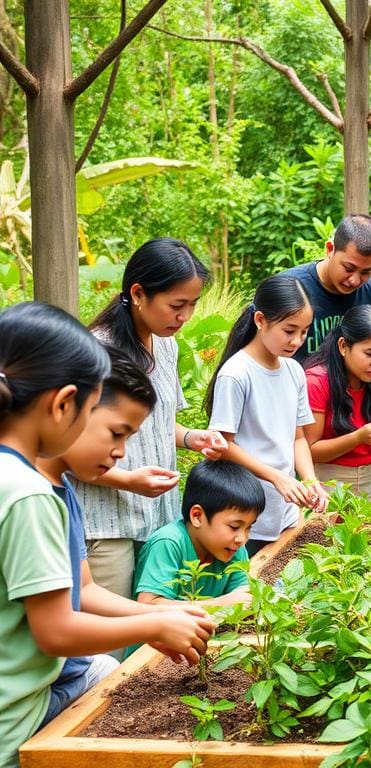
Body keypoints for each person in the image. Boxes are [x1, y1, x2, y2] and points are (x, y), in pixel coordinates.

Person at [0, 303, 213, 768]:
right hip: (15, 724)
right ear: (64, 404)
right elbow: (56, 630)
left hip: (30, 688)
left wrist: (163, 615)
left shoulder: (38, 482)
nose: (121, 453)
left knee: (105, 671)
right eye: (116, 432)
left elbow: (85, 591)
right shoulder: (29, 495)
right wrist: (153, 624)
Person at [75, 238, 227, 600]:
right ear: (139, 293)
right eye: (177, 305)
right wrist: (128, 480)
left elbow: (157, 425)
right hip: (107, 524)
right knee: (111, 645)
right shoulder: (97, 353)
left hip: (156, 516)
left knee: (150, 634)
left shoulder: (166, 345)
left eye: (192, 305)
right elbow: (67, 450)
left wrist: (193, 437)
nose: (185, 316)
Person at [205, 275, 327, 556]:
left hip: (284, 511)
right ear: (260, 320)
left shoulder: (294, 370)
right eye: (289, 330)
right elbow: (223, 446)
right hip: (244, 515)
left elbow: (298, 438)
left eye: (305, 331)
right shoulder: (236, 374)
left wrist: (309, 481)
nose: (297, 341)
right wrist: (277, 478)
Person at [303, 306, 371, 508]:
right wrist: (358, 437)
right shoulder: (316, 381)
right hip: (328, 482)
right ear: (343, 346)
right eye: (370, 353)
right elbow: (309, 450)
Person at [134, 460, 264, 607]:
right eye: (234, 527)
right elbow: (149, 604)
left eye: (249, 527)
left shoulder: (234, 547)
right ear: (197, 516)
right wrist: (218, 604)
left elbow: (242, 591)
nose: (242, 539)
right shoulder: (168, 543)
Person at [282, 214, 371, 370]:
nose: (355, 280)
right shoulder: (290, 287)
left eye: (366, 272)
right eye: (348, 269)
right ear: (330, 249)